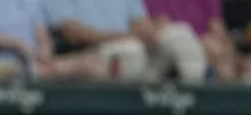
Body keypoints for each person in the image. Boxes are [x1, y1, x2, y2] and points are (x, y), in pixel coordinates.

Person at [44, 0, 206, 83]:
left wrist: (153, 28)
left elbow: (139, 22)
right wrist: (126, 36)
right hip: (93, 54)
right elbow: (72, 33)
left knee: (180, 33)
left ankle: (195, 111)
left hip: (136, 49)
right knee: (130, 50)